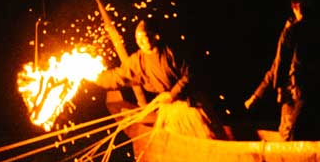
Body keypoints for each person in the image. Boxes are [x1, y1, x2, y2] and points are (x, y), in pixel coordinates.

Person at [245, 0, 320, 141]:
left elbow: (279, 68)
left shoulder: (298, 32)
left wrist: (276, 91)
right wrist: (257, 96)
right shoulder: (310, 30)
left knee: (297, 134)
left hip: (304, 95)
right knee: (311, 131)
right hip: (306, 95)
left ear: (296, 7)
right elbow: (277, 69)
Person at [90, 19, 224, 139]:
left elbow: (190, 75)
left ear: (156, 36)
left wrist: (172, 95)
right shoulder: (138, 60)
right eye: (137, 38)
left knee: (205, 137)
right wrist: (95, 77)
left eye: (144, 37)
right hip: (168, 108)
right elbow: (119, 76)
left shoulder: (172, 52)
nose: (140, 41)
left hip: (190, 105)